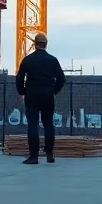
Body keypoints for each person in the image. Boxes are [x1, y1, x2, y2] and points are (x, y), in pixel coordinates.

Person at [16, 32, 65, 165]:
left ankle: (33, 156)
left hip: (32, 94)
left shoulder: (28, 60)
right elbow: (62, 78)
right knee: (48, 123)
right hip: (48, 95)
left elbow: (19, 78)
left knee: (33, 124)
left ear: (35, 45)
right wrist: (54, 91)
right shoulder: (52, 60)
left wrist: (22, 92)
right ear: (46, 45)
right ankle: (49, 154)